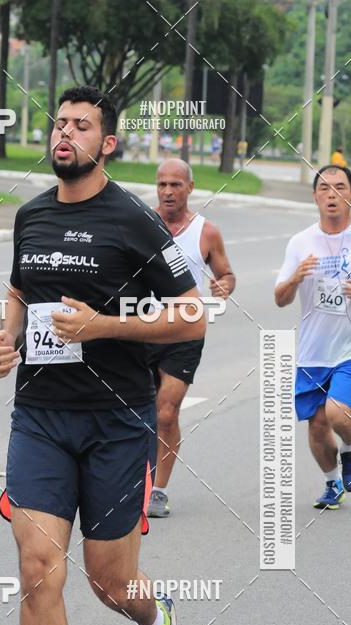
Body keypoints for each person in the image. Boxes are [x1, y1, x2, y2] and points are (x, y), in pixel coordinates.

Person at [0, 85, 205, 625]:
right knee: (36, 568)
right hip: (41, 416)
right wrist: (7, 336)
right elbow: (20, 289)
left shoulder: (133, 220)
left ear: (106, 143)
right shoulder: (32, 215)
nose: (65, 133)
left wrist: (104, 326)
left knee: (109, 581)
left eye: (81, 125)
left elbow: (193, 314)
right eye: (60, 123)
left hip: (116, 421)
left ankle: (156, 620)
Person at [275, 164, 351, 509]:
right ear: (315, 196)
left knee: (337, 414)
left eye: (340, 187)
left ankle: (350, 449)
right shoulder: (300, 242)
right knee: (316, 426)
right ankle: (332, 483)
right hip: (313, 352)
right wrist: (295, 278)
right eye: (324, 188)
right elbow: (280, 298)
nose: (332, 194)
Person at [147, 158, 235, 517]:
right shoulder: (142, 224)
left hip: (184, 332)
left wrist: (223, 285)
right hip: (139, 329)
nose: (168, 192)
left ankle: (158, 491)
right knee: (136, 413)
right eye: (162, 184)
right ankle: (132, 480)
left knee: (166, 412)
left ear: (190, 187)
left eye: (176, 185)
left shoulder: (206, 232)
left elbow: (226, 273)